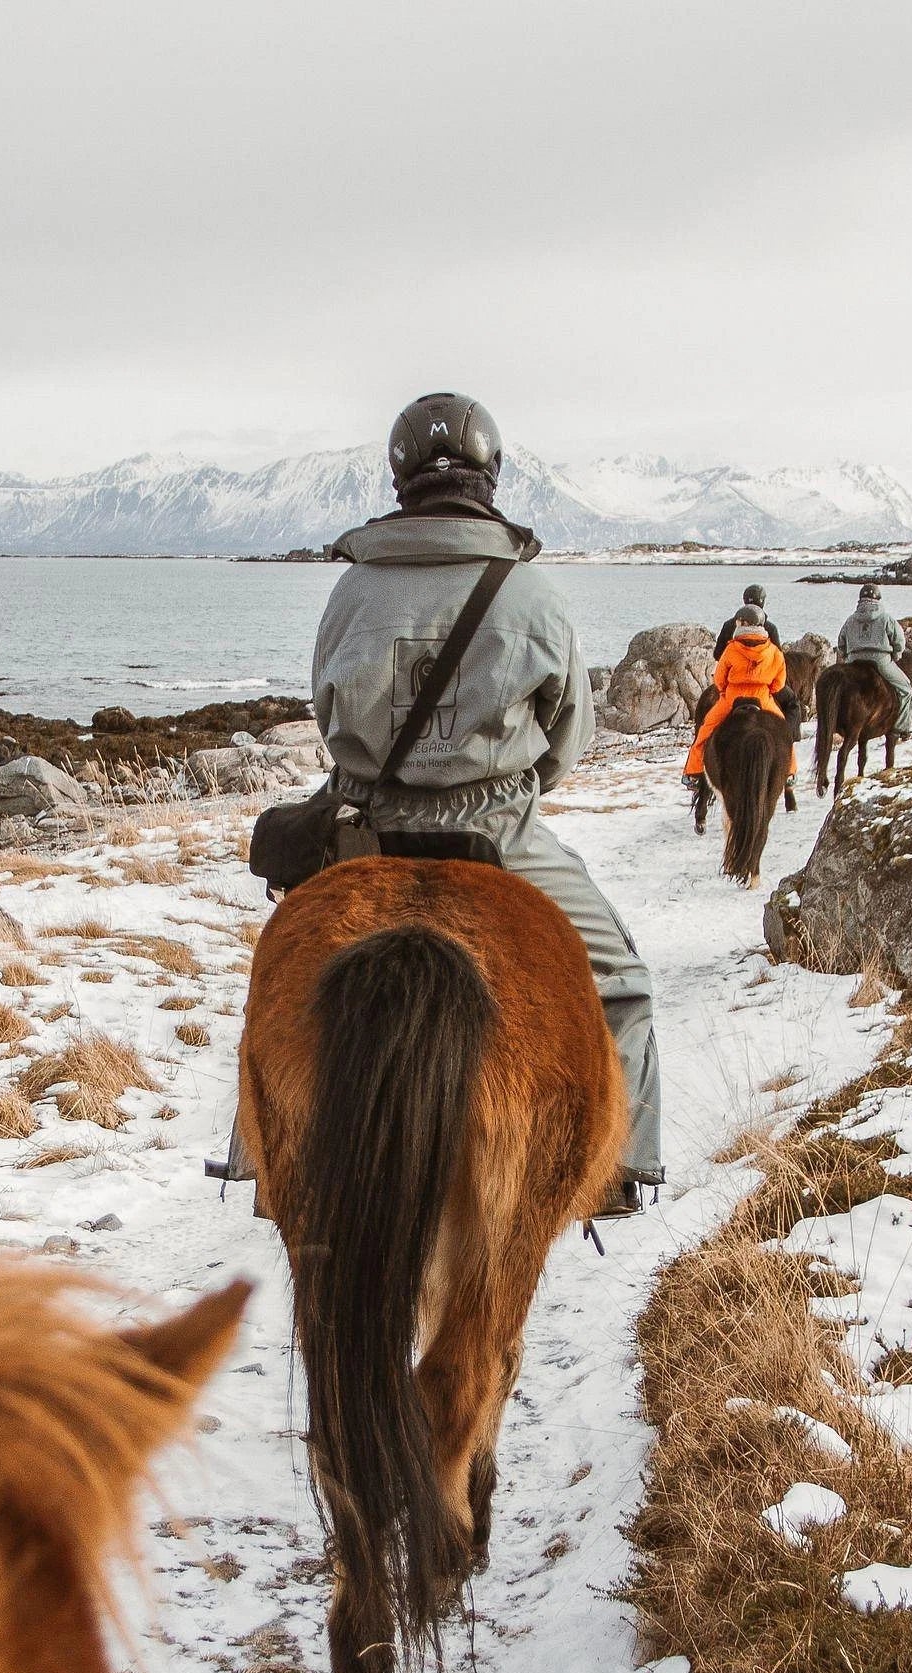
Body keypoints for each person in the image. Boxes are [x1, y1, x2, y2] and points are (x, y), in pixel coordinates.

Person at [307, 391, 664, 1217]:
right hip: (498, 833)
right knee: (622, 987)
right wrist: (509, 785)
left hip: (369, 835)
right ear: (490, 474)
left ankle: (259, 1159)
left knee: (283, 981)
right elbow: (568, 735)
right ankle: (619, 1169)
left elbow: (328, 717)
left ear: (400, 478)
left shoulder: (352, 591)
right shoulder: (530, 592)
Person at [681, 605, 795, 785]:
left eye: (739, 622)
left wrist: (725, 691)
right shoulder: (773, 651)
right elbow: (779, 683)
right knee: (783, 730)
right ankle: (789, 772)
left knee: (706, 729)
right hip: (763, 697)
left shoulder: (732, 649)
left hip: (733, 697)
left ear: (745, 623)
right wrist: (767, 690)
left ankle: (692, 772)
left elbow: (719, 679)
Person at [835, 581, 912, 739]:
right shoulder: (886, 618)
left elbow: (841, 642)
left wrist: (846, 656)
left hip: (854, 660)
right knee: (906, 689)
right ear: (878, 599)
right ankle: (901, 729)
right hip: (880, 660)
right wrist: (896, 655)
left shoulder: (850, 620)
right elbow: (899, 641)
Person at [713, 583, 783, 662]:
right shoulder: (770, 628)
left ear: (744, 600)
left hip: (734, 671)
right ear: (762, 602)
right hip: (762, 672)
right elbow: (778, 659)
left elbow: (717, 654)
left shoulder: (729, 625)